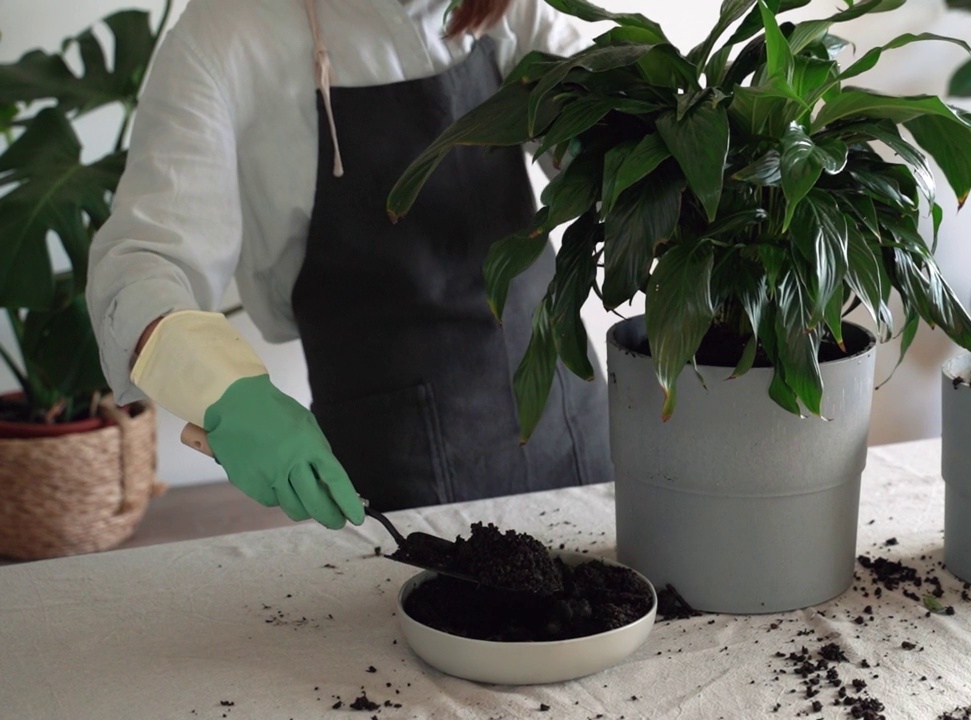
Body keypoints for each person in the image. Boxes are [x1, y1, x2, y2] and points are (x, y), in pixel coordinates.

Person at [86, 0, 612, 531]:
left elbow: (607, 115)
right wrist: (224, 393)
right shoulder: (224, 34)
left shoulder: (507, 8)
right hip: (392, 461)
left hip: (568, 417)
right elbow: (141, 264)